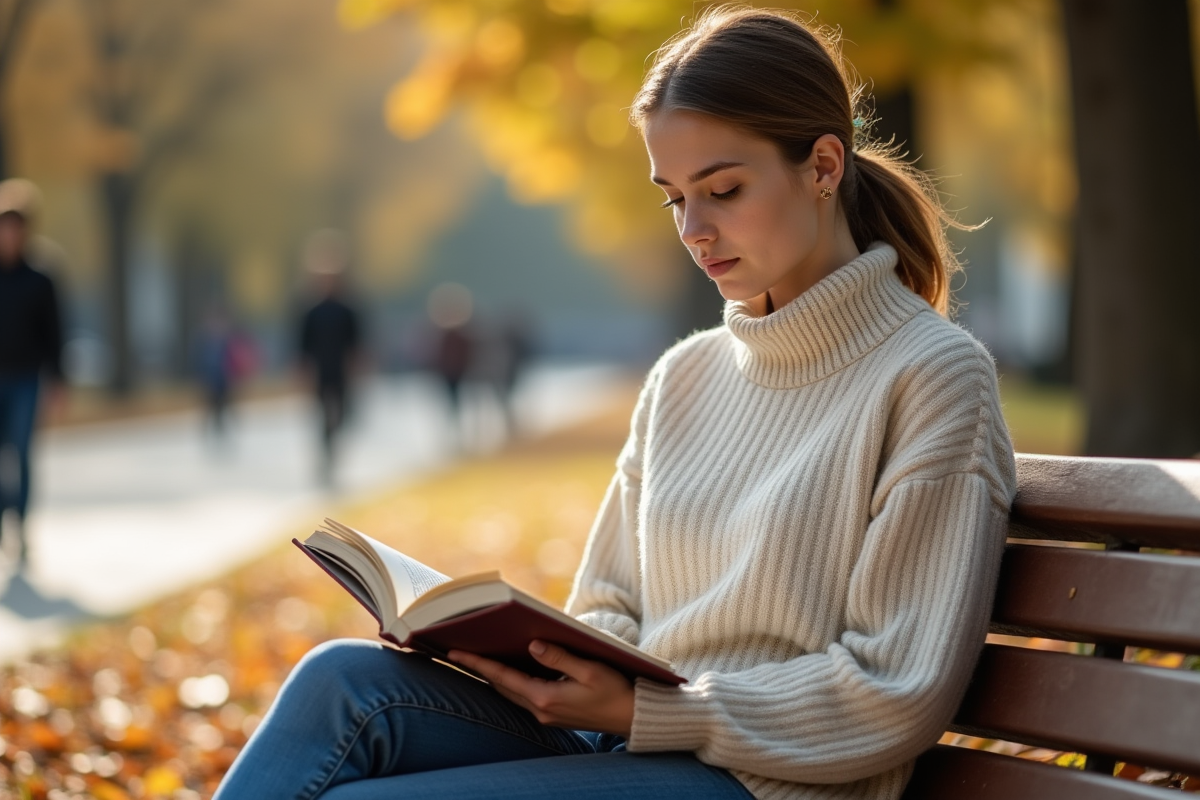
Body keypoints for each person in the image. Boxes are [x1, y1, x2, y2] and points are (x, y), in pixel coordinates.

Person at [214, 8, 1016, 799]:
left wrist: (658, 710)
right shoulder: (684, 377)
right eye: (673, 198)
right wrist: (544, 662)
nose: (695, 229)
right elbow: (608, 605)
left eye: (723, 189)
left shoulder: (932, 377)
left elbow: (894, 688)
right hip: (635, 738)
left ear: (824, 166)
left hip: (772, 782)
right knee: (340, 682)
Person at [0, 178, 64, 571]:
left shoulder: (41, 278)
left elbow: (55, 332)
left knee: (21, 454)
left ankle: (21, 526)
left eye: (15, 228)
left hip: (26, 379)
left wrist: (58, 380)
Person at [298, 230, 362, 486]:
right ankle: (326, 456)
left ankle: (333, 450)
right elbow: (302, 345)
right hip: (320, 371)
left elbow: (357, 342)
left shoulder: (349, 309)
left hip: (342, 370)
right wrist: (302, 371)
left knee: (342, 415)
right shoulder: (310, 311)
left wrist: (358, 368)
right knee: (323, 414)